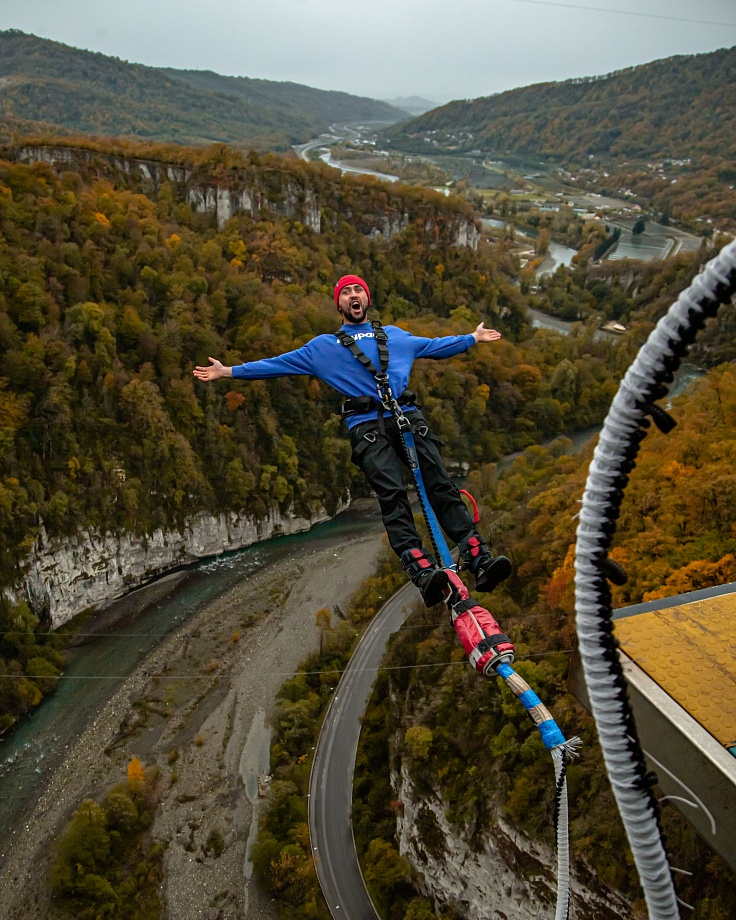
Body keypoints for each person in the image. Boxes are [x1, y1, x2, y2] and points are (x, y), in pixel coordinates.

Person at [193, 274, 511, 606]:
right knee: (393, 497)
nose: (353, 295)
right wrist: (229, 371)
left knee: (440, 485)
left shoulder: (396, 336)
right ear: (340, 304)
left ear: (367, 299)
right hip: (367, 426)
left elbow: (435, 346)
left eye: (358, 289)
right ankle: (422, 571)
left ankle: (480, 559)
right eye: (346, 292)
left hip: (406, 417)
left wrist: (472, 338)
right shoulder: (322, 348)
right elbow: (278, 365)